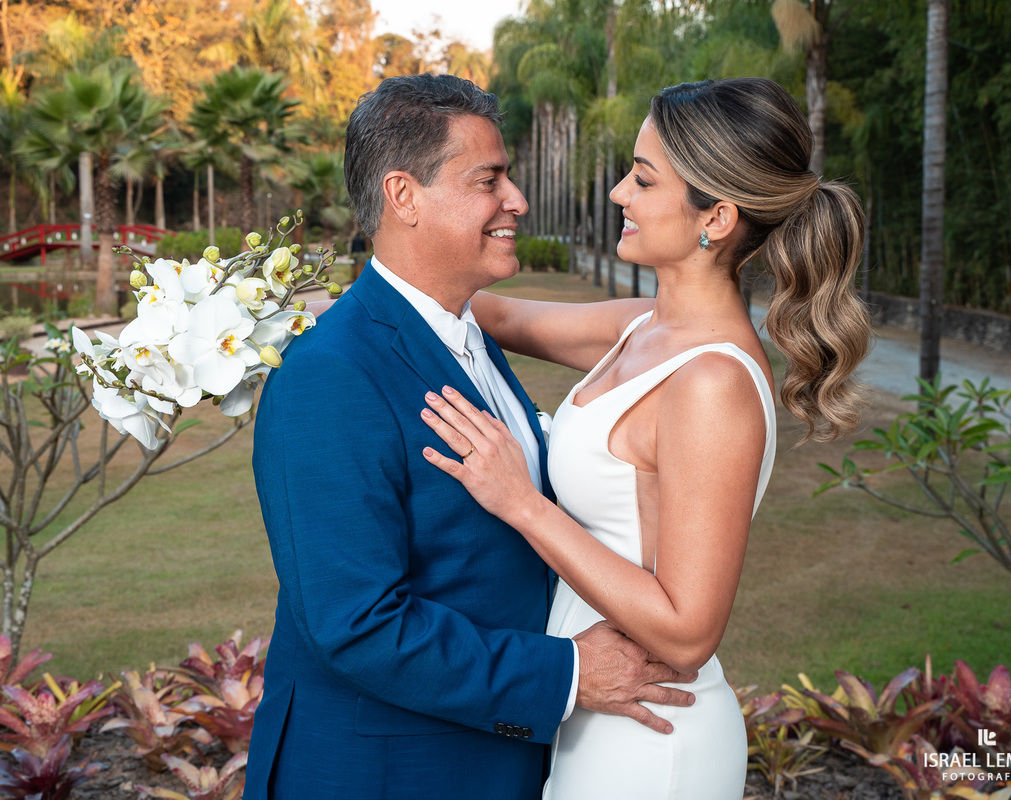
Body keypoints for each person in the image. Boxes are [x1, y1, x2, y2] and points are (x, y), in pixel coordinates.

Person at [243, 73, 695, 800]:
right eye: (489, 179)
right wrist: (569, 674)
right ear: (403, 196)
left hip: (485, 761)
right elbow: (355, 623)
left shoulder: (468, 333)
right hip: (381, 777)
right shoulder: (330, 375)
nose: (515, 199)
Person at [421, 77, 872, 798]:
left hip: (653, 742)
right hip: (594, 707)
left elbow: (689, 632)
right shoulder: (641, 327)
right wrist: (290, 296)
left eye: (643, 178)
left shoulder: (710, 383)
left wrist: (522, 502)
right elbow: (484, 313)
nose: (618, 194)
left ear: (716, 217)